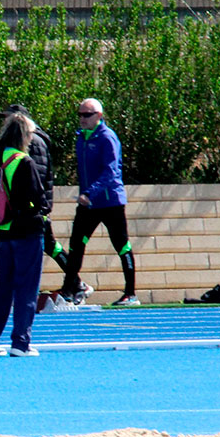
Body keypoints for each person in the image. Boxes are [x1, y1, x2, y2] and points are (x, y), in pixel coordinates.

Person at [0, 105, 91, 308]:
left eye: (8, 118)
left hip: (30, 212)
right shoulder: (19, 146)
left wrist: (40, 209)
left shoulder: (31, 143)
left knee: (44, 248)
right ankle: (75, 282)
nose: (5, 122)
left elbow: (34, 177)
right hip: (28, 210)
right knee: (50, 247)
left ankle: (74, 283)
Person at [57, 98, 138, 306]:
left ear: (99, 116)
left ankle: (130, 293)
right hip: (89, 204)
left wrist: (90, 193)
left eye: (87, 115)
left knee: (121, 246)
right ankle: (69, 291)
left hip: (110, 202)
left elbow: (111, 171)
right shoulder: (81, 138)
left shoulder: (107, 138)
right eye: (80, 115)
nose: (82, 119)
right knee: (76, 245)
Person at [0, 113, 48, 357]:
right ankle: (21, 342)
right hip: (26, 231)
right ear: (22, 135)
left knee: (2, 290)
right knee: (27, 289)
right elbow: (38, 199)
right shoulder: (23, 161)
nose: (31, 139)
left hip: (1, 231)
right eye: (30, 134)